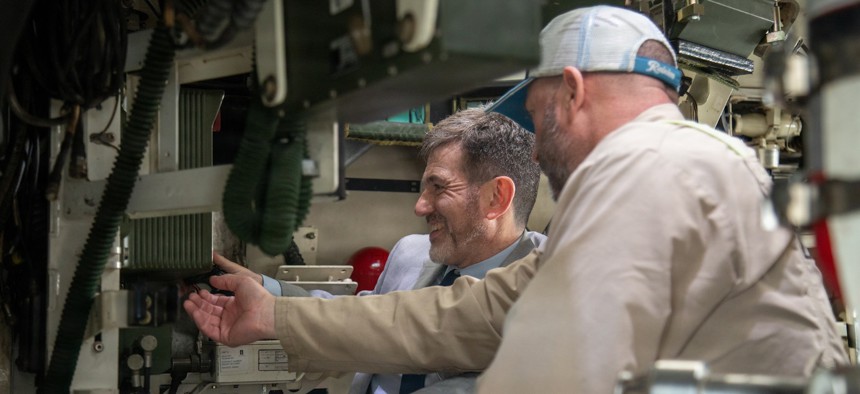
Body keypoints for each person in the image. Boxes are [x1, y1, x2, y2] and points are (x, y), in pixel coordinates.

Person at [185, 6, 847, 393]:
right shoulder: (673, 167)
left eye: (535, 114)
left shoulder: (651, 169)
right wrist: (277, 314)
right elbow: (470, 316)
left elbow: (528, 352)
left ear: (573, 90)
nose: (536, 145)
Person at [212, 107, 545, 393]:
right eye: (423, 188)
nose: (420, 207)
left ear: (496, 198)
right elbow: (363, 320)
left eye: (439, 187)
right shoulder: (410, 252)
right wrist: (267, 291)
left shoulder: (548, 295)